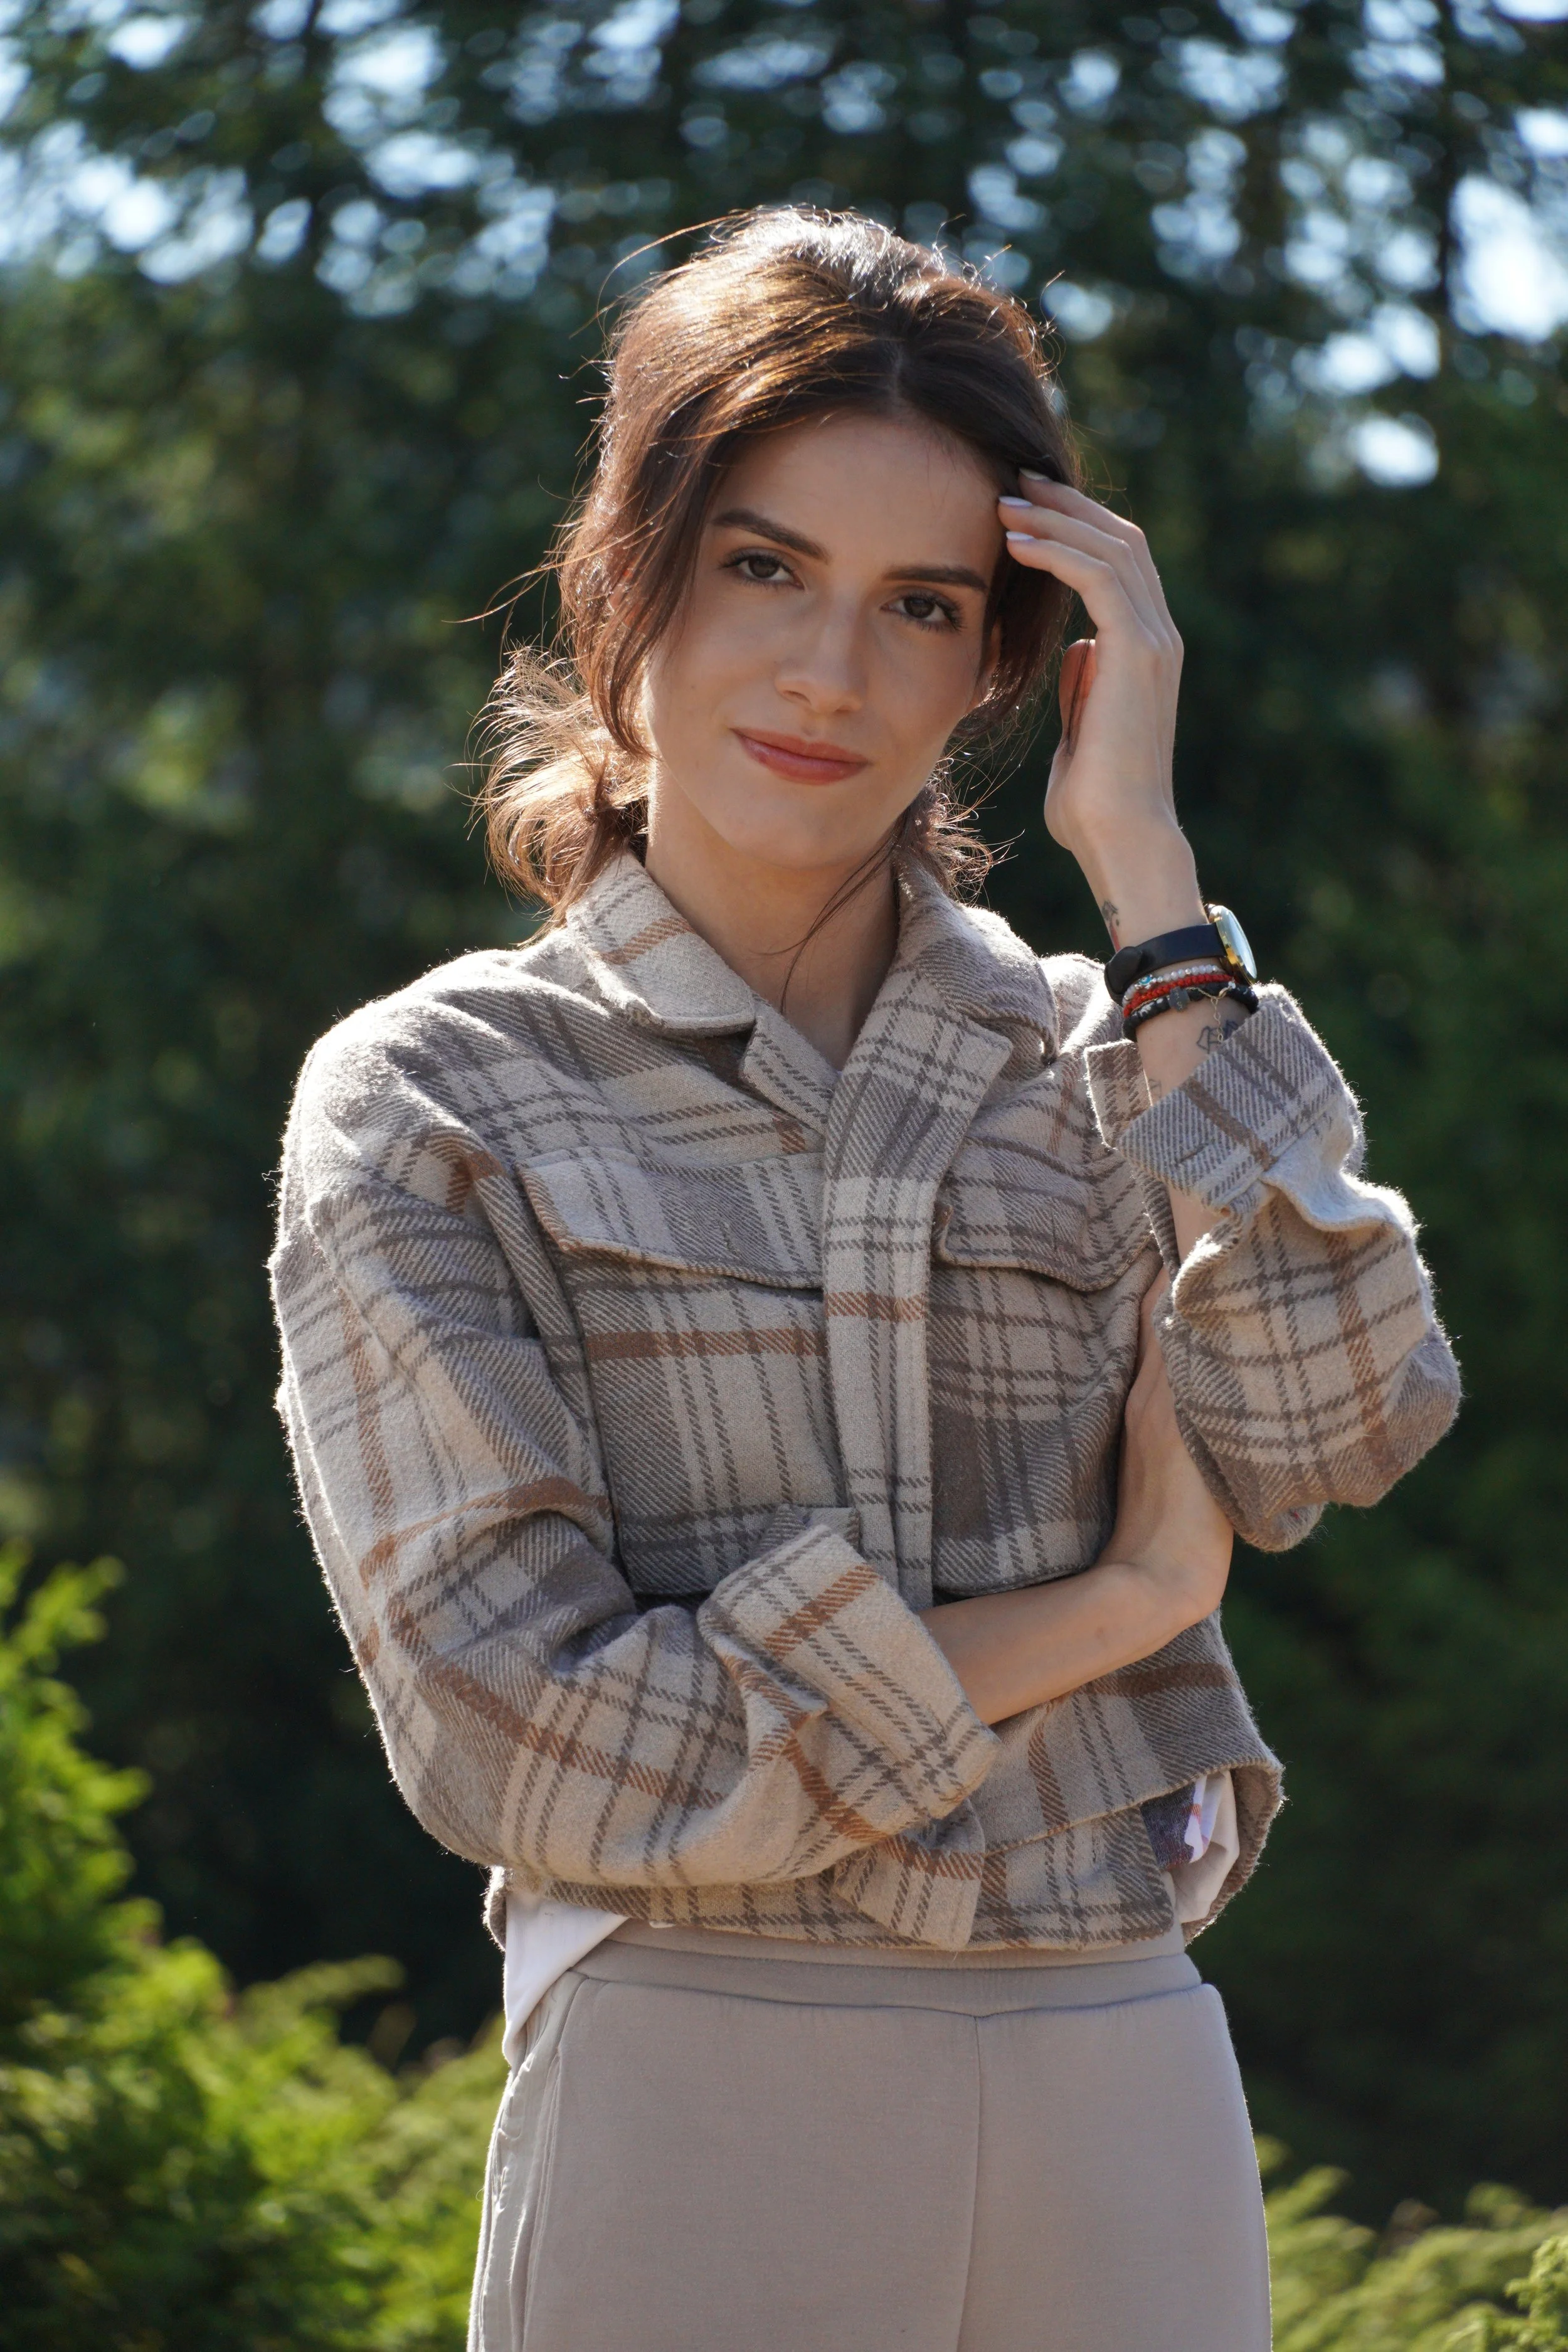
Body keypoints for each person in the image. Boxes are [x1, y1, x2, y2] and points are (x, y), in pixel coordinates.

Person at [270, 209, 1459, 2352]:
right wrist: (1104, 1614)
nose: (830, 672)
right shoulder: (440, 1096)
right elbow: (528, 1746)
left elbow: (1340, 1427)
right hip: (693, 2059)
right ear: (627, 574)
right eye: (763, 566)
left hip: (1118, 2042)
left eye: (921, 606)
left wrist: (1159, 887)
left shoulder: (1116, 1053)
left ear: (1003, 663)